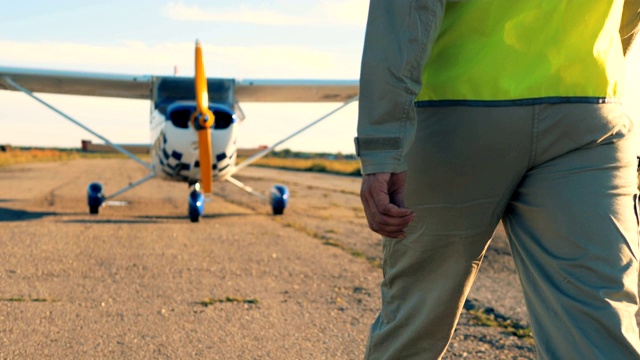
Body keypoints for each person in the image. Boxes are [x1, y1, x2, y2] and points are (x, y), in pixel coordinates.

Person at [356, 1, 640, 359]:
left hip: (463, 111)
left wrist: (383, 142)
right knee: (596, 322)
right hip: (586, 104)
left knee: (414, 323)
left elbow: (406, 11)